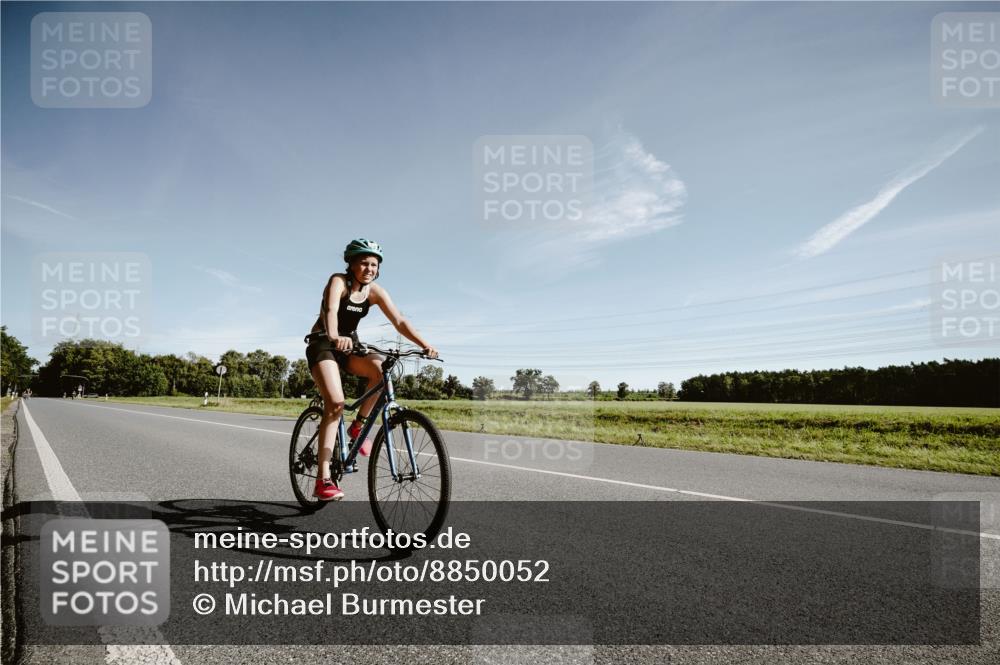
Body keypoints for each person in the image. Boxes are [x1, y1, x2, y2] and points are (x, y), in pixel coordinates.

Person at [305, 238, 438, 500]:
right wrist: (334, 336)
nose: (369, 268)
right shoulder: (338, 282)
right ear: (351, 264)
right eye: (364, 263)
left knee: (381, 373)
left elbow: (399, 320)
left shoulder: (374, 291)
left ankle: (358, 426)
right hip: (324, 343)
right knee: (335, 403)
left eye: (374, 264)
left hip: (349, 346)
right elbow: (331, 310)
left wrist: (424, 344)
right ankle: (323, 480)